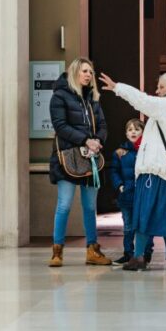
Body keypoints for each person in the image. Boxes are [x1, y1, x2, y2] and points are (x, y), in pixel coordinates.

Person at [98, 72, 166, 271]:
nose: (157, 91)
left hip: (155, 172)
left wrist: (117, 87)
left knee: (144, 215)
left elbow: (141, 100)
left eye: (161, 87)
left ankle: (138, 258)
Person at [48, 57, 112, 267]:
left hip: (91, 157)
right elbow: (60, 126)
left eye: (91, 72)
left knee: (89, 206)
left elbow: (102, 124)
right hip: (68, 157)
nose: (89, 75)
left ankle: (92, 250)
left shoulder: (93, 98)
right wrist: (85, 140)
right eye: (85, 71)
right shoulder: (60, 96)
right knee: (64, 205)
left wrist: (97, 141)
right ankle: (57, 251)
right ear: (75, 72)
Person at [110, 118, 153, 265]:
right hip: (126, 195)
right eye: (130, 129)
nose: (133, 131)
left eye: (137, 129)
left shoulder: (148, 150)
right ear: (126, 133)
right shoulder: (120, 153)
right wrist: (119, 185)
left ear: (143, 132)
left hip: (143, 195)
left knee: (145, 225)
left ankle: (146, 253)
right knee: (128, 226)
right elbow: (114, 171)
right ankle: (128, 253)